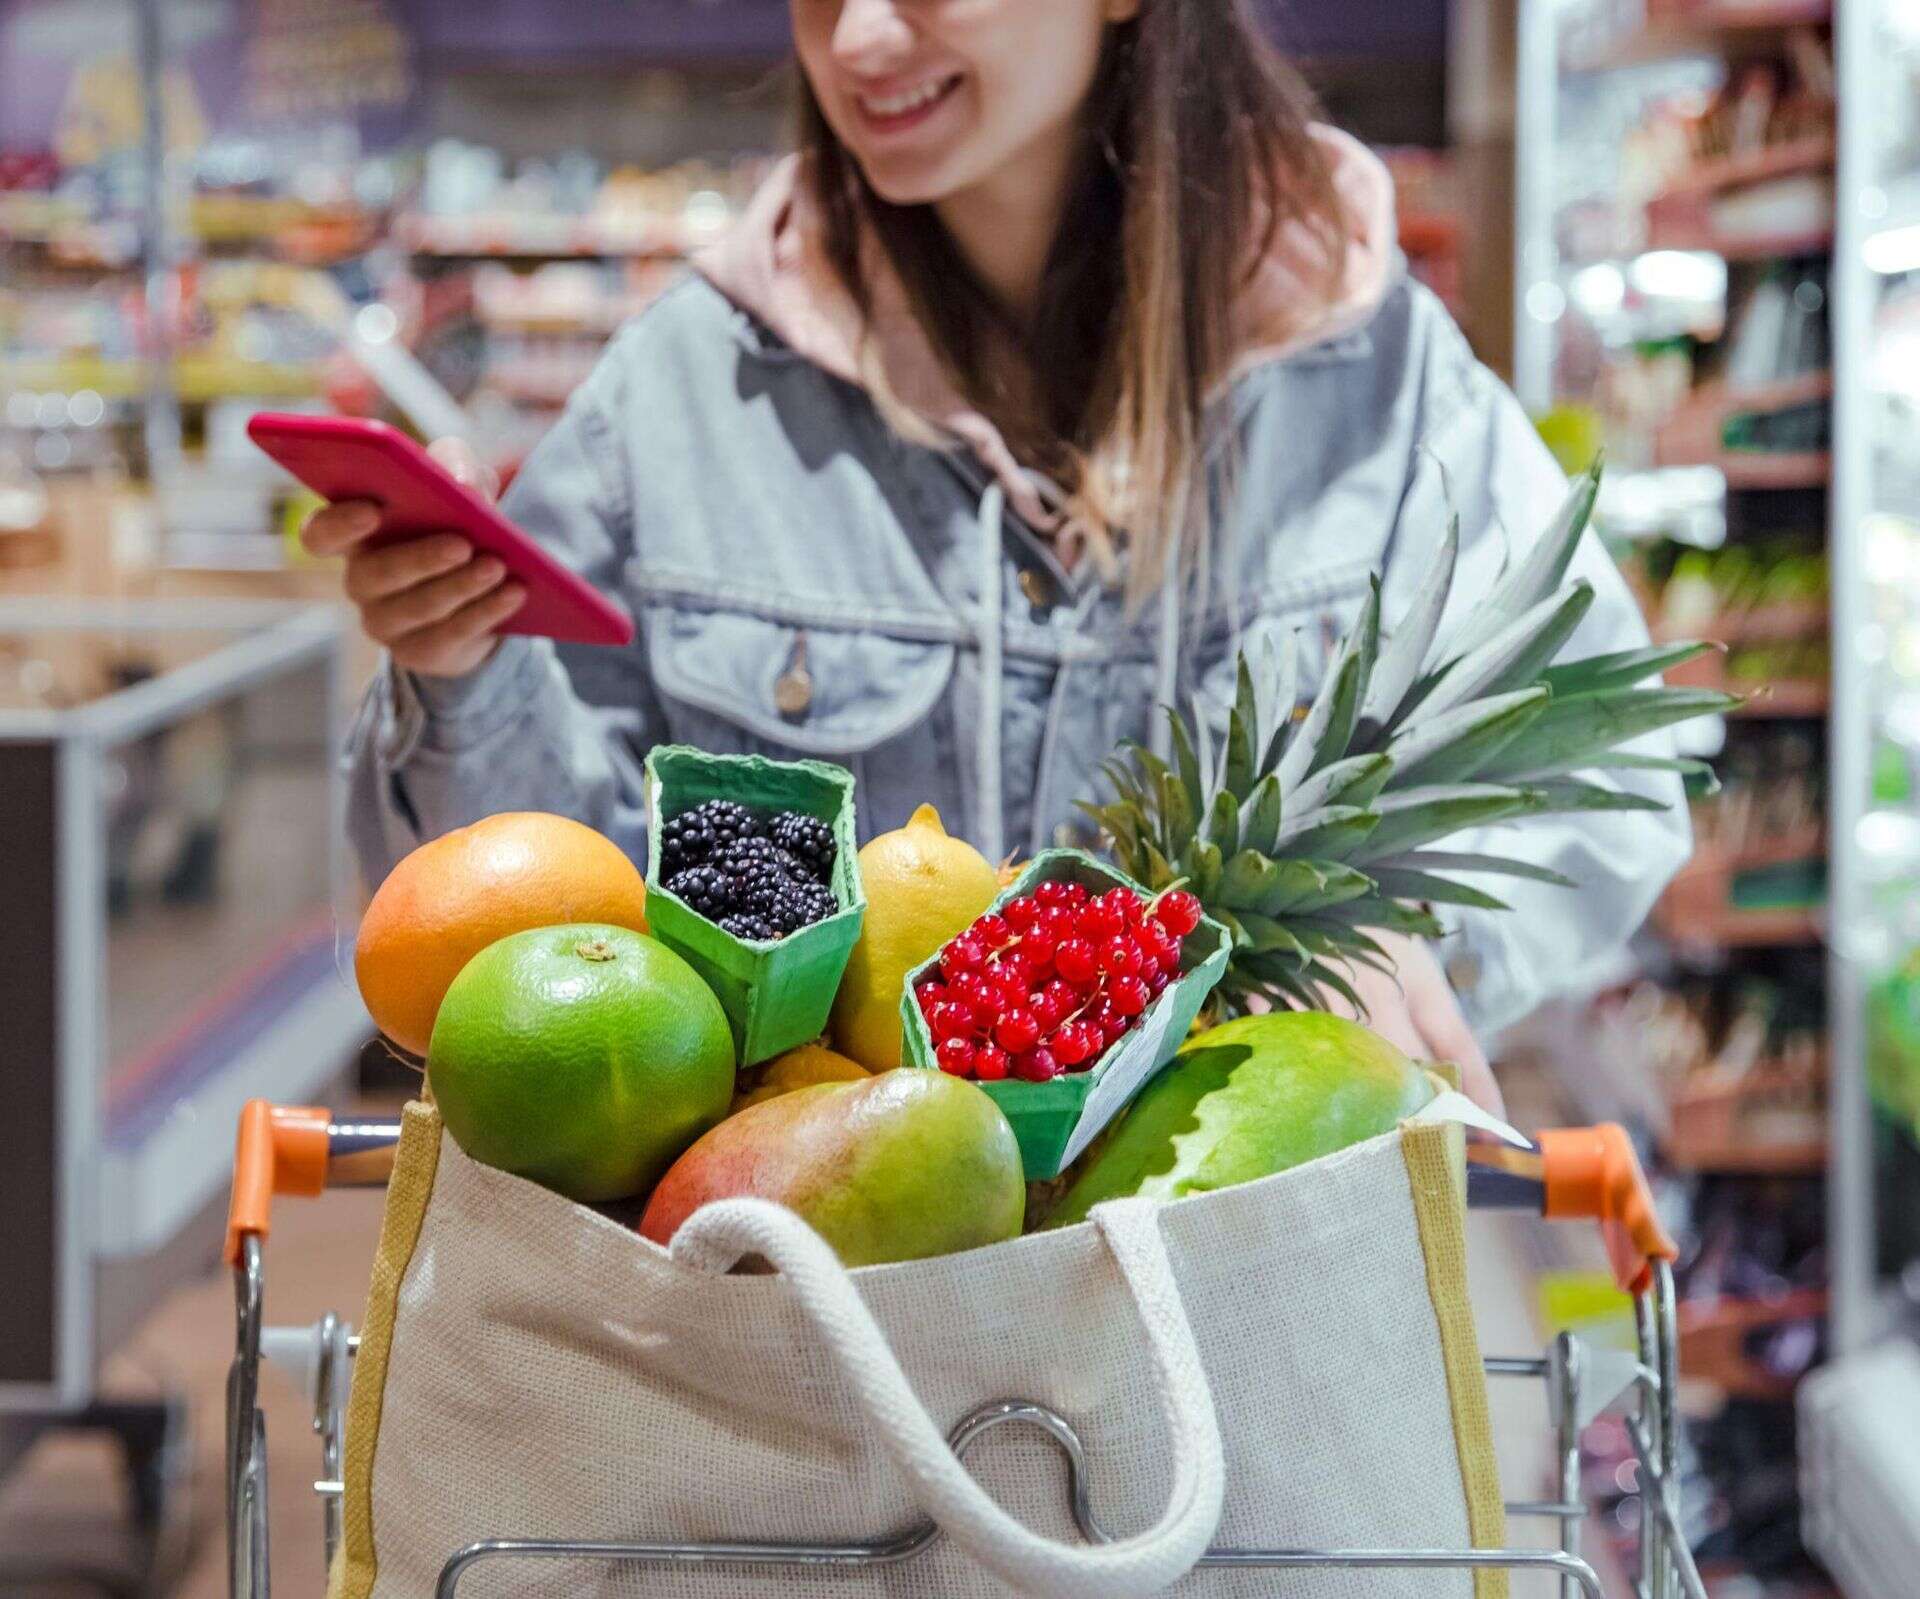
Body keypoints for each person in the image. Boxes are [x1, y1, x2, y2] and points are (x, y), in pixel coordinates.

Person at [308, 0, 1690, 1115]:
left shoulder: (1375, 375)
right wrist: (459, 667)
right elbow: (529, 932)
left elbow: (1608, 771)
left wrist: (1398, 938)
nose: (855, 40)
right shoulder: (687, 390)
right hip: (817, 1333)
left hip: (1242, 1306)